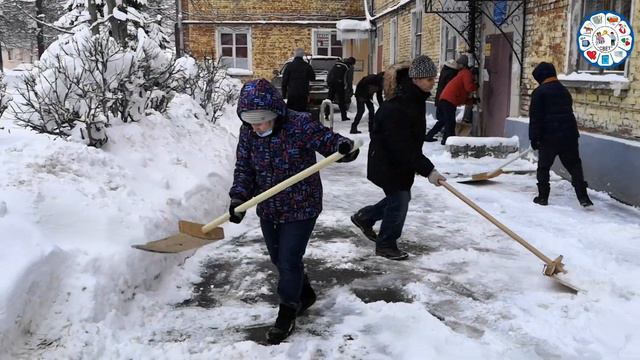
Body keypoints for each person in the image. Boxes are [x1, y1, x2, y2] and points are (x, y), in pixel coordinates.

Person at [228, 79, 359, 344]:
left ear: (275, 112)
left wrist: (343, 150)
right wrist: (238, 198)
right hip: (269, 207)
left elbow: (328, 141)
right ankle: (305, 293)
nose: (258, 127)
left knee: (288, 260)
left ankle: (287, 311)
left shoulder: (299, 124)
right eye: (252, 122)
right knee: (279, 259)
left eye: (262, 120)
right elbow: (245, 168)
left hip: (302, 205)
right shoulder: (248, 132)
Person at [350, 55, 446, 260]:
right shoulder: (398, 106)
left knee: (399, 198)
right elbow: (401, 146)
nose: (433, 83)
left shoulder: (414, 99)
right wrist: (428, 170)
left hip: (398, 161)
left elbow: (409, 143)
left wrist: (422, 167)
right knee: (400, 200)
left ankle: (365, 217)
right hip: (387, 161)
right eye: (430, 79)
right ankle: (386, 244)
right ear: (416, 79)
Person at [529, 62, 593, 207]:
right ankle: (583, 197)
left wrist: (534, 138)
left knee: (544, 167)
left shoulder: (539, 92)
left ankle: (542, 197)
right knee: (575, 166)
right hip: (569, 136)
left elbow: (536, 118)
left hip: (549, 137)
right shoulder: (564, 90)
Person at [425, 54, 478, 145]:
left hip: (444, 98)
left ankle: (431, 136)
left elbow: (461, 94)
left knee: (444, 120)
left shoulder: (460, 73)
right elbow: (469, 88)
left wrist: (471, 101)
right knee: (450, 123)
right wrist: (476, 86)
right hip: (449, 100)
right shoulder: (466, 73)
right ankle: (449, 142)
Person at [424, 57, 462, 142]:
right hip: (446, 99)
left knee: (444, 120)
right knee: (447, 120)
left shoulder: (445, 71)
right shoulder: (451, 73)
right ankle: (445, 138)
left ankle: (434, 136)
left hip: (441, 98)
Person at [281, 48, 316, 112]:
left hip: (292, 94)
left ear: (295, 55)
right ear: (302, 55)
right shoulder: (307, 66)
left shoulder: (289, 66)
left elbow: (284, 82)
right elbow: (313, 78)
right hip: (303, 93)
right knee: (302, 112)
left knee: (291, 113)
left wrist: (284, 94)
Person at [325, 57, 356, 121]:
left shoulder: (337, 64)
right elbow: (348, 79)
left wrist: (329, 83)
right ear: (352, 63)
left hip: (331, 82)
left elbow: (330, 73)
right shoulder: (347, 67)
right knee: (341, 100)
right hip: (339, 83)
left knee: (329, 99)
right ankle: (344, 117)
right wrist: (348, 88)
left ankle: (326, 115)